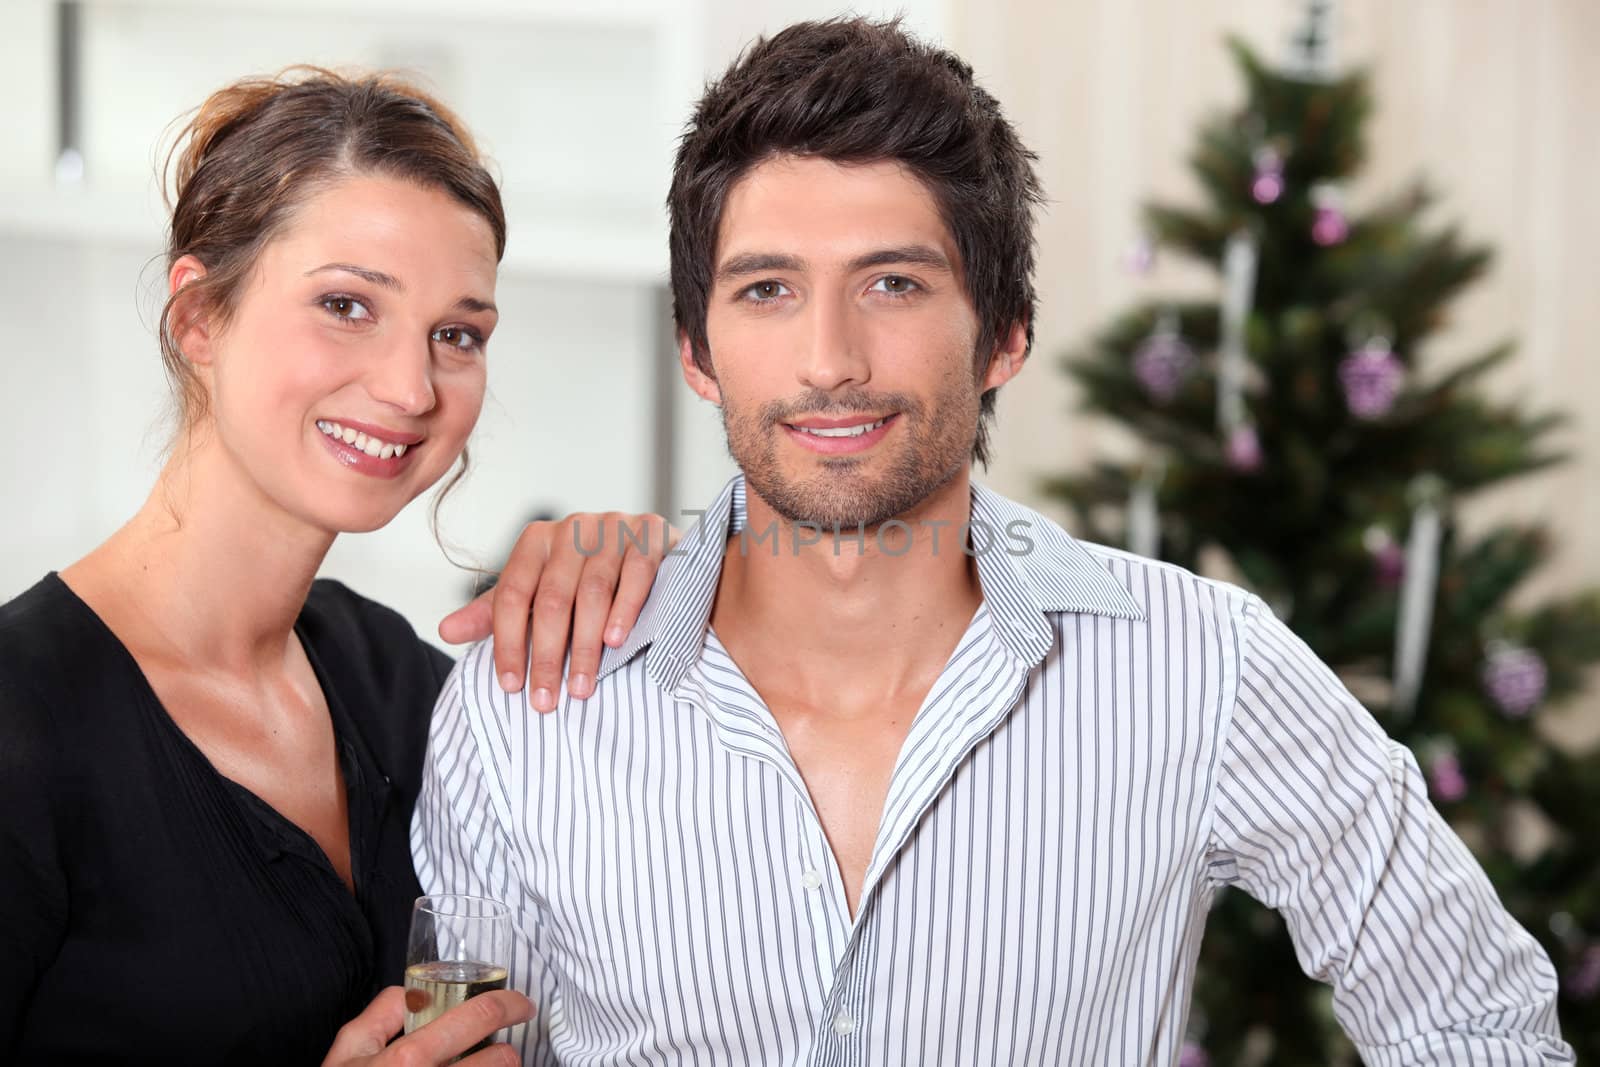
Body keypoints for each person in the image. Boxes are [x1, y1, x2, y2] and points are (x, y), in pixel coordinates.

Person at [412, 18, 1575, 1065]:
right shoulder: (522, 710)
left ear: (1004, 332)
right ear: (697, 348)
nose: (829, 358)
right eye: (767, 289)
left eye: (894, 283)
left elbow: (1474, 1025)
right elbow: (456, 1044)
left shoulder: (1202, 665)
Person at [0, 69, 670, 1066]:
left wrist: (661, 573)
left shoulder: (392, 675)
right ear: (199, 322)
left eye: (456, 334)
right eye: (348, 305)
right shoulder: (24, 722)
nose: (409, 387)